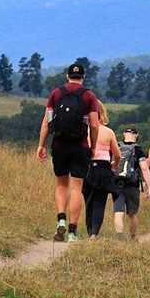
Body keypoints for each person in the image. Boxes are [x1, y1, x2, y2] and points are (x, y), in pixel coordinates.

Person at [36, 62, 100, 242]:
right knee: (76, 187)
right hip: (80, 146)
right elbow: (94, 125)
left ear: (67, 76)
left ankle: (61, 220)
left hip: (59, 145)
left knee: (61, 184)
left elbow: (46, 122)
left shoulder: (56, 93)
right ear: (83, 77)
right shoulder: (89, 96)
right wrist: (93, 146)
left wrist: (41, 145)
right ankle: (72, 232)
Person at [82, 102, 120, 239]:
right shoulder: (108, 132)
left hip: (86, 167)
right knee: (100, 202)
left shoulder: (83, 130)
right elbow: (117, 154)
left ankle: (89, 231)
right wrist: (114, 166)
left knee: (88, 201)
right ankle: (94, 233)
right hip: (104, 167)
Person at [113, 126, 150, 240]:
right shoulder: (138, 149)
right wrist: (149, 186)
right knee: (132, 214)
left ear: (124, 134)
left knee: (118, 212)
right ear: (136, 135)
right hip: (132, 186)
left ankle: (119, 236)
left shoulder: (117, 146)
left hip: (117, 184)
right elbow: (144, 168)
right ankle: (133, 237)